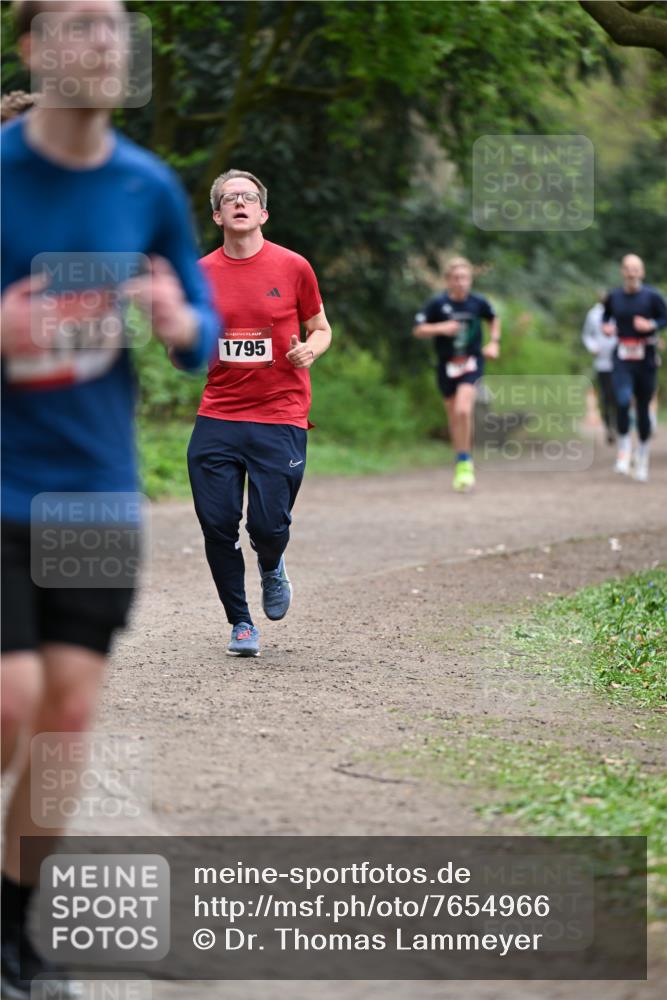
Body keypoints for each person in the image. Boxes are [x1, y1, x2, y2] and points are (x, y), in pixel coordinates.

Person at [1, 2, 219, 997]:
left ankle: (13, 935)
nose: (104, 41)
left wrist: (181, 321)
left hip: (94, 492)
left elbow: (200, 329)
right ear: (32, 46)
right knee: (12, 700)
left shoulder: (147, 185)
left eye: (116, 25)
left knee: (69, 718)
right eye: (81, 22)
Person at [187, 169, 332, 659]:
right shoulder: (200, 274)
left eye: (248, 197)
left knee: (268, 527)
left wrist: (310, 350)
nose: (240, 202)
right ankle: (241, 623)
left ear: (263, 212)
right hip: (220, 412)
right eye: (230, 198)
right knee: (217, 523)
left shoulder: (294, 267)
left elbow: (321, 327)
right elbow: (185, 340)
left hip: (281, 413)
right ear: (217, 215)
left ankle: (272, 564)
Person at [412, 257, 501, 491]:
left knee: (463, 409)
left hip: (472, 362)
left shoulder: (478, 302)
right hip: (446, 366)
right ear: (448, 280)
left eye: (464, 277)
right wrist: (441, 328)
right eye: (456, 278)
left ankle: (465, 462)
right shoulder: (438, 304)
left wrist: (494, 342)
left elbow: (493, 319)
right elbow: (418, 329)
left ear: (470, 280)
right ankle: (462, 459)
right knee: (453, 416)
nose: (461, 282)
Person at [602, 254, 667, 482]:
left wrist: (651, 324)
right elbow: (606, 317)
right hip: (622, 356)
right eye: (628, 268)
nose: (632, 273)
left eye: (636, 268)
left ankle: (643, 456)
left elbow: (665, 317)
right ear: (622, 271)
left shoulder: (652, 296)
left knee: (642, 408)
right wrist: (606, 327)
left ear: (642, 272)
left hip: (645, 357)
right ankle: (624, 452)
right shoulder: (614, 297)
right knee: (621, 400)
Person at [582, 292, 617, 444]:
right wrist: (593, 347)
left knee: (619, 395)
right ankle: (609, 426)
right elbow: (586, 335)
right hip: (602, 362)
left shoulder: (620, 311)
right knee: (606, 395)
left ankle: (619, 425)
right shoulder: (593, 314)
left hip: (621, 361)